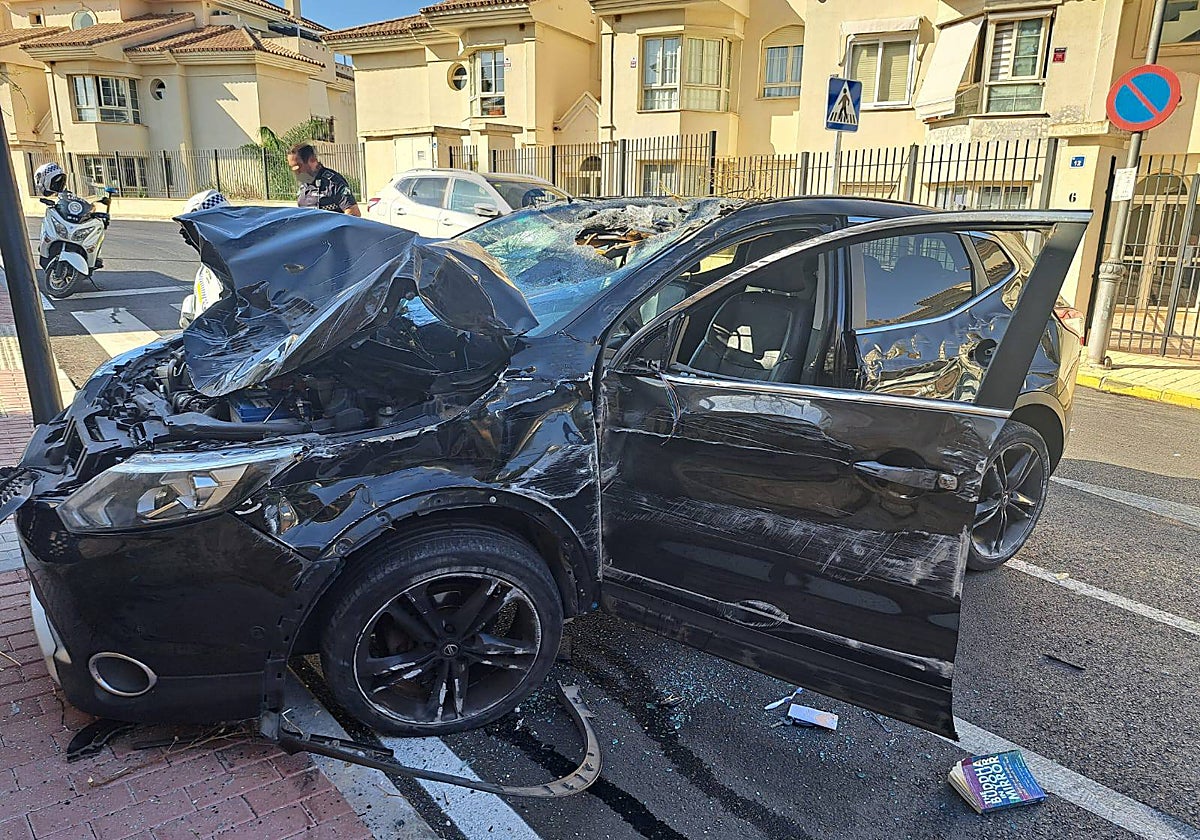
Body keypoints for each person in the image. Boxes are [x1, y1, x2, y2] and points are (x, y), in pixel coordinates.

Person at [287, 143, 360, 216]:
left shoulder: (333, 183)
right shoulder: (303, 185)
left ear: (312, 160)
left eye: (298, 167)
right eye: (292, 168)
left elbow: (353, 213)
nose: (296, 172)